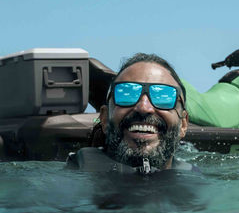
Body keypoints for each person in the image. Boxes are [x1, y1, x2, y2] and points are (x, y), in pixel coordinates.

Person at [67, 52, 196, 175]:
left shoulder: (197, 182)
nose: (144, 107)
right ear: (105, 118)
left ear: (183, 125)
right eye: (126, 93)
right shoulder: (74, 176)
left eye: (163, 96)